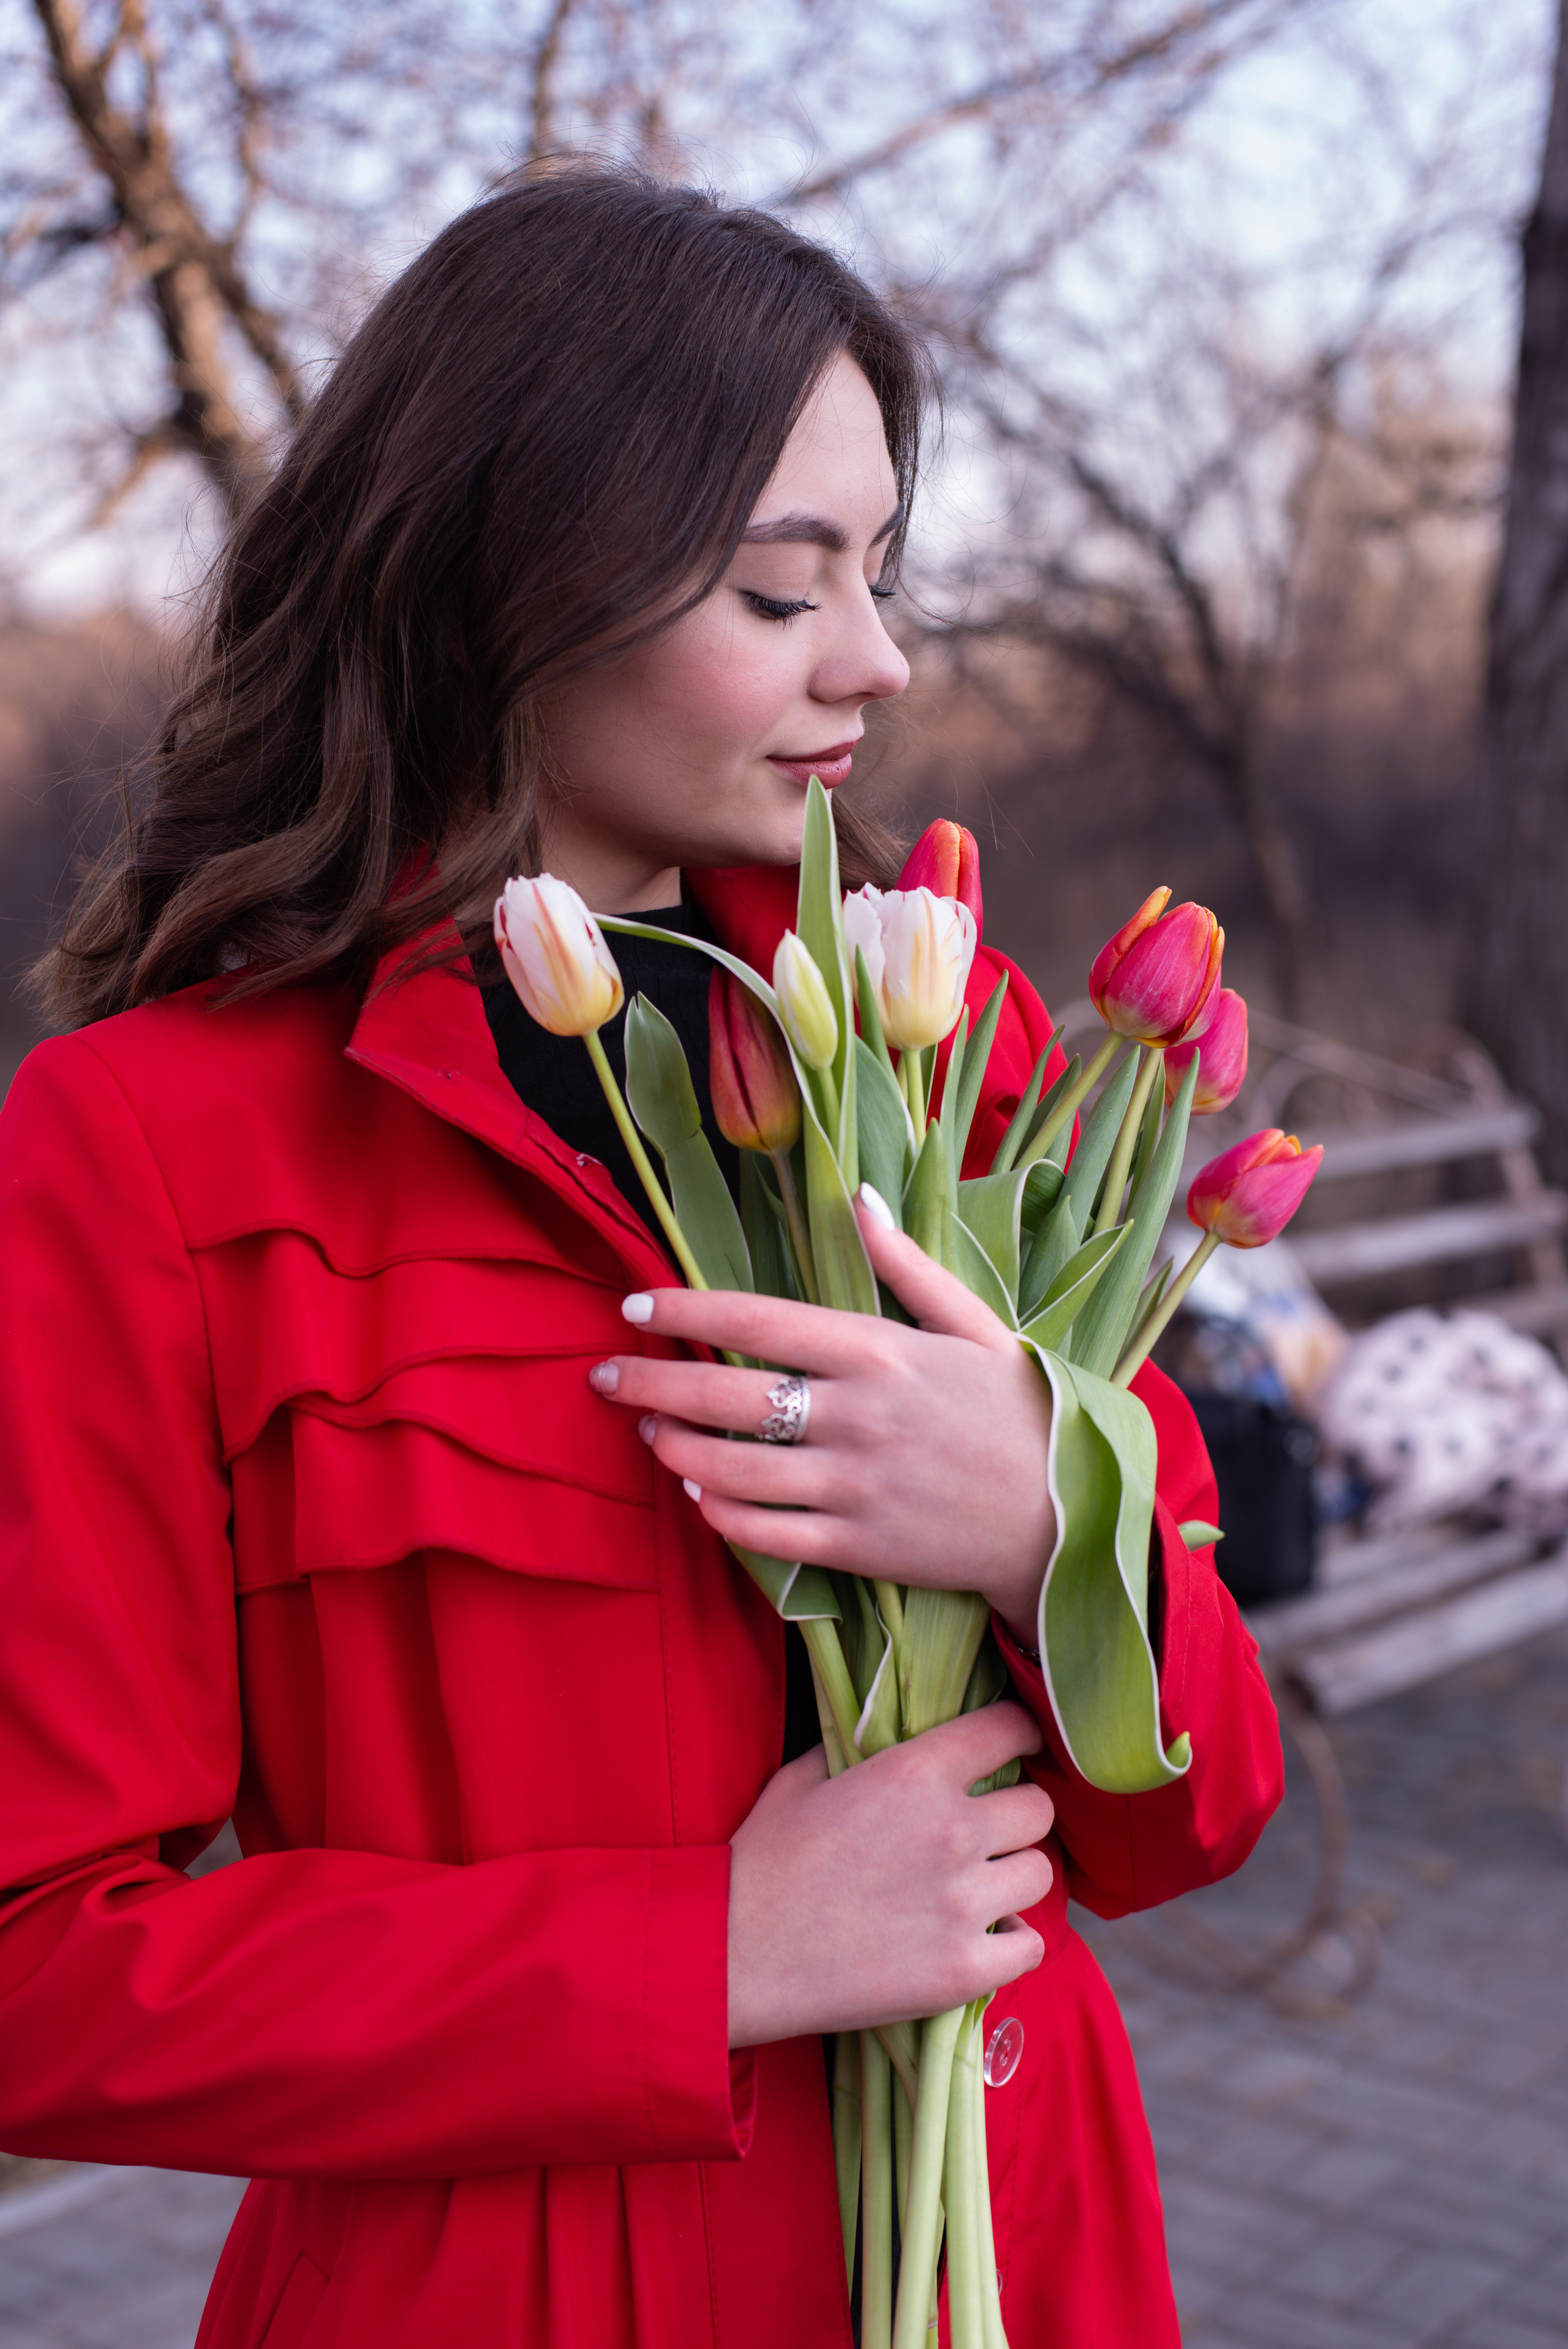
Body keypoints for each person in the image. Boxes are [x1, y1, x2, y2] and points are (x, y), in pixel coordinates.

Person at [0, 165, 1283, 2348]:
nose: (876, 658)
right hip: (505, 2291)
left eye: (879, 573)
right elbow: (42, 1979)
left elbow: (1187, 1817)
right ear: (513, 580)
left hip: (1023, 2241)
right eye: (786, 591)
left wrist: (1044, 1521)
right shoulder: (153, 1145)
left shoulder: (933, 1036)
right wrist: (707, 1952)